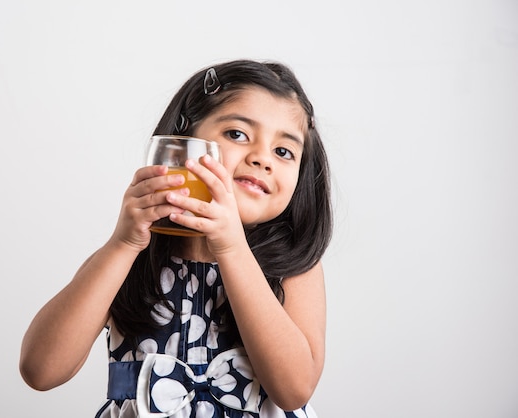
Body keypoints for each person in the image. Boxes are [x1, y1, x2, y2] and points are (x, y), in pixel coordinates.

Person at [19, 59, 332, 418]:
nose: (263, 159)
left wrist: (230, 247)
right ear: (182, 144)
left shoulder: (292, 263)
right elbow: (40, 370)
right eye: (237, 134)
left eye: (284, 151)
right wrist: (122, 245)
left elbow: (293, 390)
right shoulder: (129, 255)